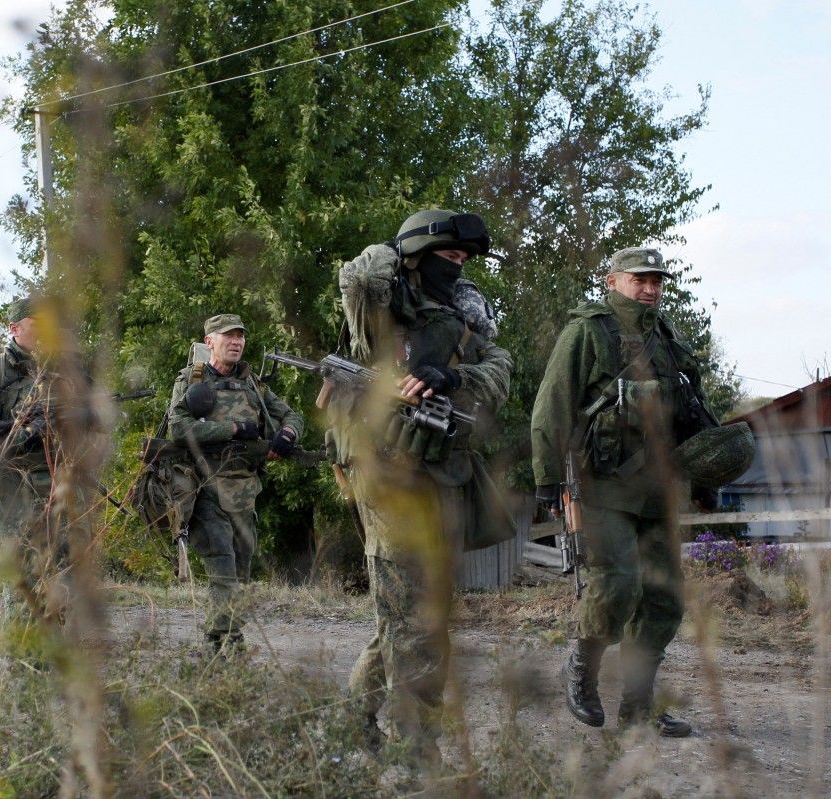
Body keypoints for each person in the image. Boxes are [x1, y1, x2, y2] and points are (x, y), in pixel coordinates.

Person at [333, 209, 512, 761]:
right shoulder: (380, 305)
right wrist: (401, 245)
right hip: (386, 472)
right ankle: (418, 751)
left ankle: (350, 720)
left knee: (411, 611)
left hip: (444, 471)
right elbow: (359, 277)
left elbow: (501, 370)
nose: (455, 270)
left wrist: (453, 376)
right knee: (416, 620)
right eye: (446, 258)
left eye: (463, 261)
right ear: (417, 256)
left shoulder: (465, 312)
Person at [531, 247, 712, 738]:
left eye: (657, 280)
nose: (651, 288)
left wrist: (706, 477)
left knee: (664, 600)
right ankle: (581, 672)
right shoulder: (587, 331)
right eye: (640, 280)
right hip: (603, 485)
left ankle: (638, 706)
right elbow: (552, 405)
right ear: (612, 281)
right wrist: (547, 477)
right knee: (615, 587)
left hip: (658, 488)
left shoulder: (668, 337)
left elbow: (692, 411)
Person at [166, 313, 304, 654]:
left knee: (241, 569)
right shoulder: (192, 379)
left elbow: (292, 414)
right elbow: (177, 428)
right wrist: (230, 429)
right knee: (223, 566)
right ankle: (222, 643)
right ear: (209, 341)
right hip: (204, 488)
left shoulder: (252, 384)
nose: (236, 342)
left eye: (240, 336)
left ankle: (227, 636)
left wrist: (288, 433)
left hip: (244, 491)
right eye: (228, 336)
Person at [0, 295, 84, 617]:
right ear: (14, 328)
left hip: (56, 482)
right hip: (13, 483)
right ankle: (21, 652)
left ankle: (52, 643)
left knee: (61, 564)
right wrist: (27, 433)